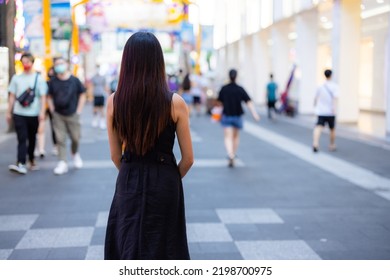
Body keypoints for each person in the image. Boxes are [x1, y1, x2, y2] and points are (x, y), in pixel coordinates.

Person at [105, 32, 193, 260]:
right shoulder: (175, 103)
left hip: (128, 175)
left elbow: (115, 156)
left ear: (127, 62)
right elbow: (188, 159)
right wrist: (168, 177)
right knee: (166, 244)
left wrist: (131, 171)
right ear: (158, 62)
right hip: (165, 179)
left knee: (128, 240)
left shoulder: (114, 101)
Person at [6, 52, 47, 174]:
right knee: (22, 138)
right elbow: (12, 96)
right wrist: (9, 112)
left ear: (32, 63)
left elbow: (43, 97)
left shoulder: (38, 79)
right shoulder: (16, 78)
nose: (25, 64)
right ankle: (21, 162)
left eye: (27, 62)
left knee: (32, 138)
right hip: (19, 113)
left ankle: (31, 159)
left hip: (33, 114)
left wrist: (42, 112)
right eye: (23, 62)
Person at [47, 57, 87, 175]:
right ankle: (62, 162)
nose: (59, 66)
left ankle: (75, 154)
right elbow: (49, 97)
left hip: (73, 114)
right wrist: (52, 110)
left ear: (66, 64)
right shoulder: (52, 81)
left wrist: (79, 110)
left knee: (75, 138)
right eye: (57, 64)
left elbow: (83, 94)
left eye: (61, 63)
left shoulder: (74, 80)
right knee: (60, 139)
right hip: (58, 114)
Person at [217, 69, 260, 167]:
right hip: (237, 116)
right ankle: (233, 153)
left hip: (227, 115)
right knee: (235, 136)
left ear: (229, 76)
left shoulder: (224, 88)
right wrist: (254, 114)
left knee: (228, 136)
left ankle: (230, 154)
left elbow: (219, 102)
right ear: (236, 76)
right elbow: (248, 101)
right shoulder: (240, 88)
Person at [312, 69, 339, 153]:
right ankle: (331, 145)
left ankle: (315, 144)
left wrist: (315, 107)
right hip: (331, 112)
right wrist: (334, 109)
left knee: (318, 127)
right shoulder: (335, 86)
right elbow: (335, 99)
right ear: (331, 75)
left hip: (321, 111)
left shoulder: (320, 86)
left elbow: (315, 98)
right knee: (332, 129)